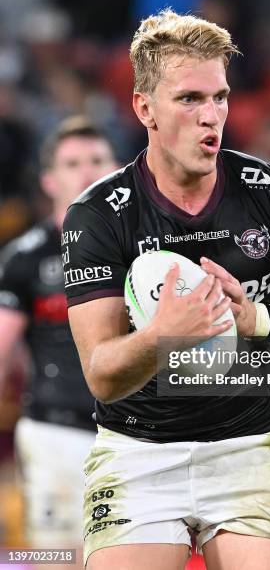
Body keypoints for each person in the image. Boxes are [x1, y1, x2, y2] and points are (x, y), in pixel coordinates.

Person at [62, 10, 270, 570]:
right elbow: (103, 374)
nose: (212, 117)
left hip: (249, 448)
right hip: (140, 454)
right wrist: (164, 335)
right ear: (145, 109)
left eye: (221, 97)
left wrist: (258, 319)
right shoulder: (97, 216)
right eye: (189, 99)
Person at [0, 116, 118, 566]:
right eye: (72, 163)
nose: (86, 171)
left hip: (133, 432)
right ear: (49, 180)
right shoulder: (25, 258)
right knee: (57, 560)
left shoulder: (148, 248)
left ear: (119, 169)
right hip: (54, 432)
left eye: (97, 160)